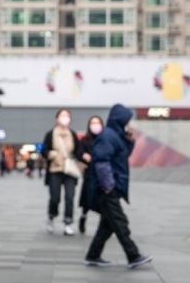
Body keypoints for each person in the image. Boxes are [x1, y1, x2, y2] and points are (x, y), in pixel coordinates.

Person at [83, 104, 152, 269]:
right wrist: (108, 186)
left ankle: (93, 255)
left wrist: (129, 140)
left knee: (107, 225)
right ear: (120, 120)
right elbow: (101, 161)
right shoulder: (108, 136)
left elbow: (122, 155)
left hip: (111, 187)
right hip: (107, 189)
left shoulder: (115, 136)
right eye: (127, 121)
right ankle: (133, 255)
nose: (129, 124)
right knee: (120, 222)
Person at [41, 109, 80, 236]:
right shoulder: (50, 134)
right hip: (54, 169)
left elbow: (78, 151)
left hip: (69, 170)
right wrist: (51, 154)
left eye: (67, 116)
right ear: (56, 119)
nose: (65, 118)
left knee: (70, 197)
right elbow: (44, 150)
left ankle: (68, 223)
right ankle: (51, 216)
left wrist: (79, 158)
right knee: (55, 197)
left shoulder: (72, 134)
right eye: (62, 116)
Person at [75, 115, 104, 234]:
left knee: (102, 200)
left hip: (102, 174)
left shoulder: (105, 139)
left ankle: (104, 223)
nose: (95, 125)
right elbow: (78, 152)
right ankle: (83, 216)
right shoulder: (85, 140)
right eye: (93, 123)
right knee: (88, 199)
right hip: (89, 173)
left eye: (97, 123)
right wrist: (83, 156)